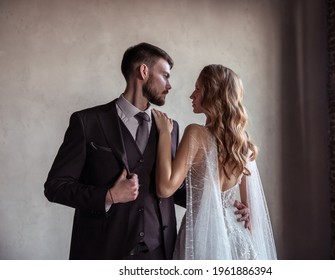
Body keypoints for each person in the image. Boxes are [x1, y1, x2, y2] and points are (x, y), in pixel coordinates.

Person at [44, 43, 249, 260]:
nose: (170, 85)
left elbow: (170, 188)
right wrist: (109, 196)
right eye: (165, 76)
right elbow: (55, 187)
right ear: (143, 71)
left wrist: (222, 204)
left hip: (161, 254)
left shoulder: (170, 128)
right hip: (103, 251)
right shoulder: (88, 122)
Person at [152, 64, 277, 259]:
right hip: (237, 236)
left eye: (198, 89)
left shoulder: (196, 133)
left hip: (201, 235)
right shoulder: (242, 144)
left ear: (213, 94)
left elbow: (165, 188)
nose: (192, 95)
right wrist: (246, 211)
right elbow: (249, 209)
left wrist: (164, 134)